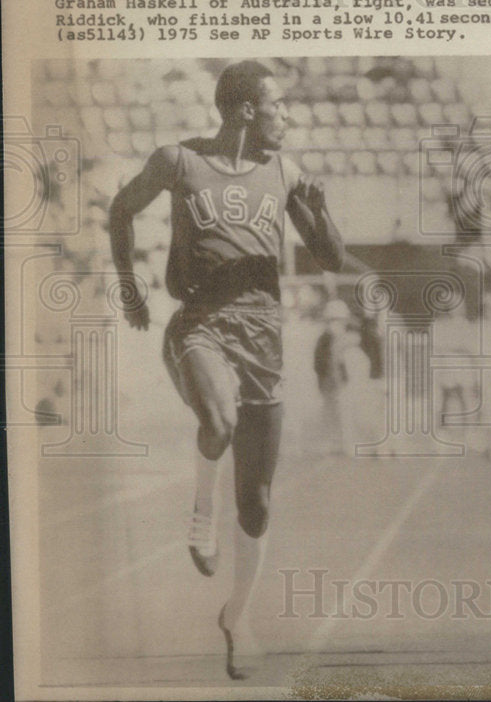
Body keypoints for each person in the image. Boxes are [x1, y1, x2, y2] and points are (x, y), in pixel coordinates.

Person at [109, 60, 345, 679]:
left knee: (260, 503)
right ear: (246, 110)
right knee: (217, 418)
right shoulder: (178, 162)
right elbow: (120, 209)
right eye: (280, 107)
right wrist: (129, 286)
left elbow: (330, 257)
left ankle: (238, 617)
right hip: (199, 324)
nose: (288, 117)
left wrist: (321, 211)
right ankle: (199, 516)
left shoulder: (285, 172)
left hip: (263, 337)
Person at [313, 299, 353, 455]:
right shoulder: (324, 339)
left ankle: (344, 442)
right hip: (329, 381)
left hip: (338, 381)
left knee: (342, 412)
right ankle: (334, 442)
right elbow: (319, 363)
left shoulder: (342, 338)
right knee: (331, 413)